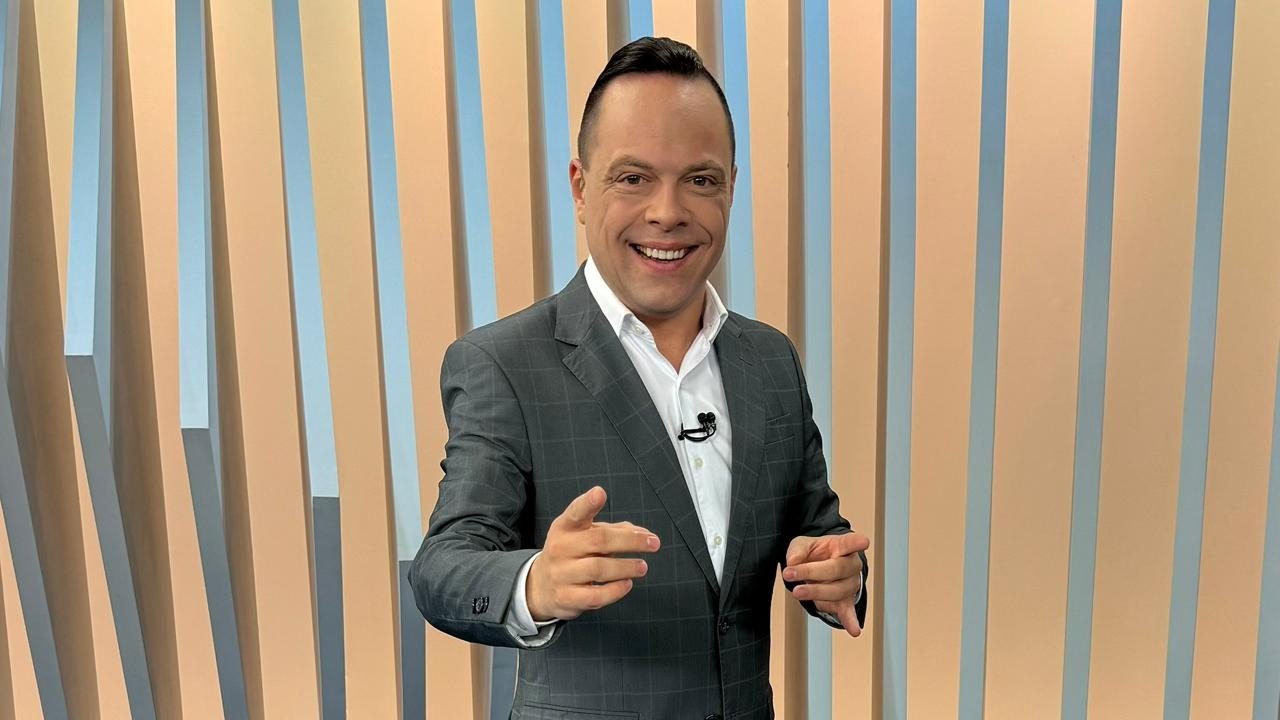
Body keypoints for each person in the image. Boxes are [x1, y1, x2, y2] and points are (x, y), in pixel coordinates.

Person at [410, 36, 869, 720]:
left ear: (731, 186)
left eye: (700, 180)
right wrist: (536, 583)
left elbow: (819, 530)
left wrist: (839, 574)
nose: (667, 212)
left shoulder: (771, 359)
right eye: (633, 177)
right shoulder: (503, 363)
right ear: (580, 187)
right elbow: (443, 567)